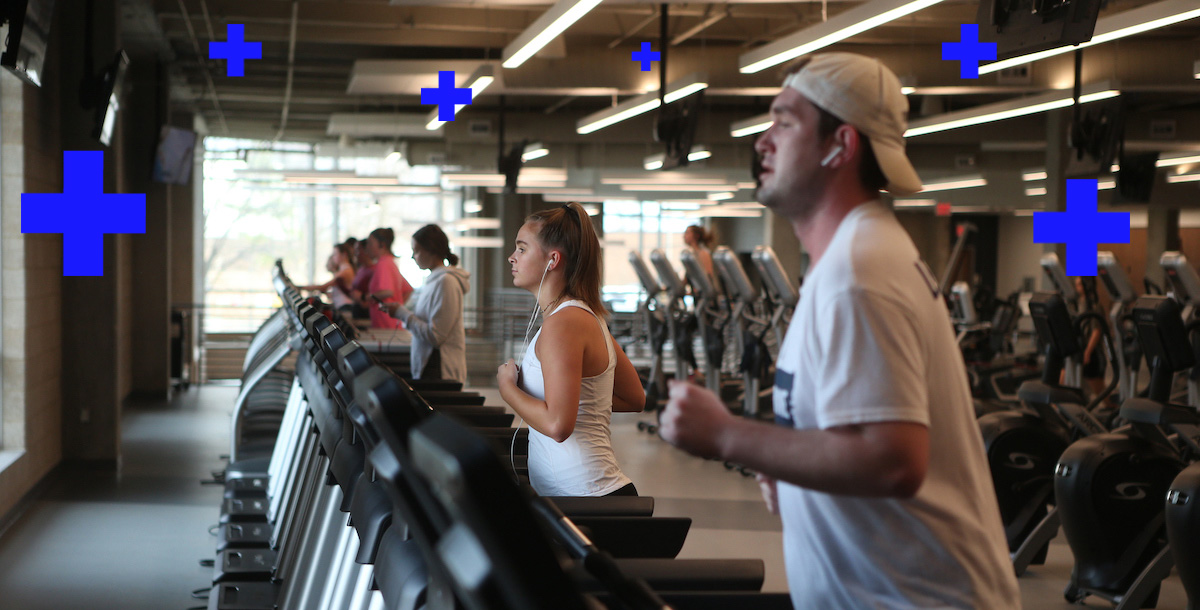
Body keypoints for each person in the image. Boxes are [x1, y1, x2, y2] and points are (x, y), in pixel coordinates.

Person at [658, 53, 1020, 609]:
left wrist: (728, 435)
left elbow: (893, 459)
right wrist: (794, 470)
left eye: (785, 121)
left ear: (840, 146)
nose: (762, 141)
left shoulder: (859, 273)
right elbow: (852, 442)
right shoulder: (845, 263)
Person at [496, 202, 645, 497]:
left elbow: (557, 426)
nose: (512, 257)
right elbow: (634, 397)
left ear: (552, 260)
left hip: (589, 499)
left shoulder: (563, 324)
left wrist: (507, 389)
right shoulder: (582, 316)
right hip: (584, 494)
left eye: (522, 249)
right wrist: (579, 403)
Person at [386, 224, 471, 382]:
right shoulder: (434, 280)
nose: (413, 256)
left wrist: (402, 314)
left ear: (431, 250)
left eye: (416, 251)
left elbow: (436, 336)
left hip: (440, 369)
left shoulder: (447, 282)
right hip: (429, 365)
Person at [364, 228, 414, 330]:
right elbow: (408, 289)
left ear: (382, 244)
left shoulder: (383, 264)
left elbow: (388, 292)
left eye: (370, 243)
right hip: (390, 322)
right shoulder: (389, 262)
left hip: (385, 323)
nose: (367, 248)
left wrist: (368, 297)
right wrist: (397, 307)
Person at [1073, 275, 1108, 401]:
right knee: (1064, 375)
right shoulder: (1080, 302)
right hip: (1080, 347)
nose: (1077, 287)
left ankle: (1109, 405)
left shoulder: (1094, 305)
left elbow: (1096, 331)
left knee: (1100, 392)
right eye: (1076, 284)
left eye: (1079, 284)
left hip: (1093, 351)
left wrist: (1088, 351)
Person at [297, 243, 356, 314]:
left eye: (335, 254)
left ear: (344, 254)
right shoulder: (342, 270)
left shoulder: (346, 271)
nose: (333, 257)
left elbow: (322, 287)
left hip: (345, 307)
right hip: (341, 306)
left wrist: (300, 287)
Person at [349, 238, 374, 319]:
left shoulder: (374, 270)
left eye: (357, 250)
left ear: (366, 250)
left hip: (366, 314)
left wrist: (364, 302)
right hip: (356, 310)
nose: (355, 254)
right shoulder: (361, 269)